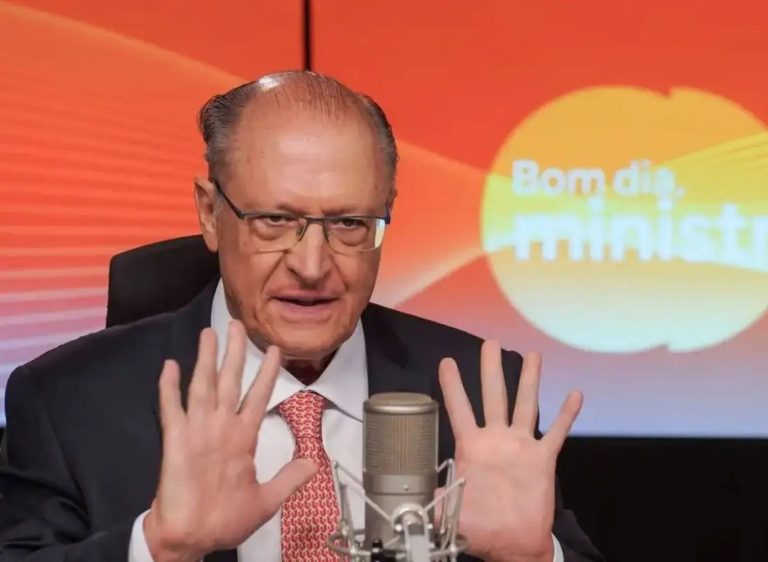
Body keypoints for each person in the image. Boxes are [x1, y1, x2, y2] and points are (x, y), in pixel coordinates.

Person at [0, 71, 602, 562]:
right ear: (210, 213)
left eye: (349, 223)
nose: (312, 266)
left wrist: (532, 558)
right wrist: (158, 547)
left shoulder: (476, 395)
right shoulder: (66, 401)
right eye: (275, 220)